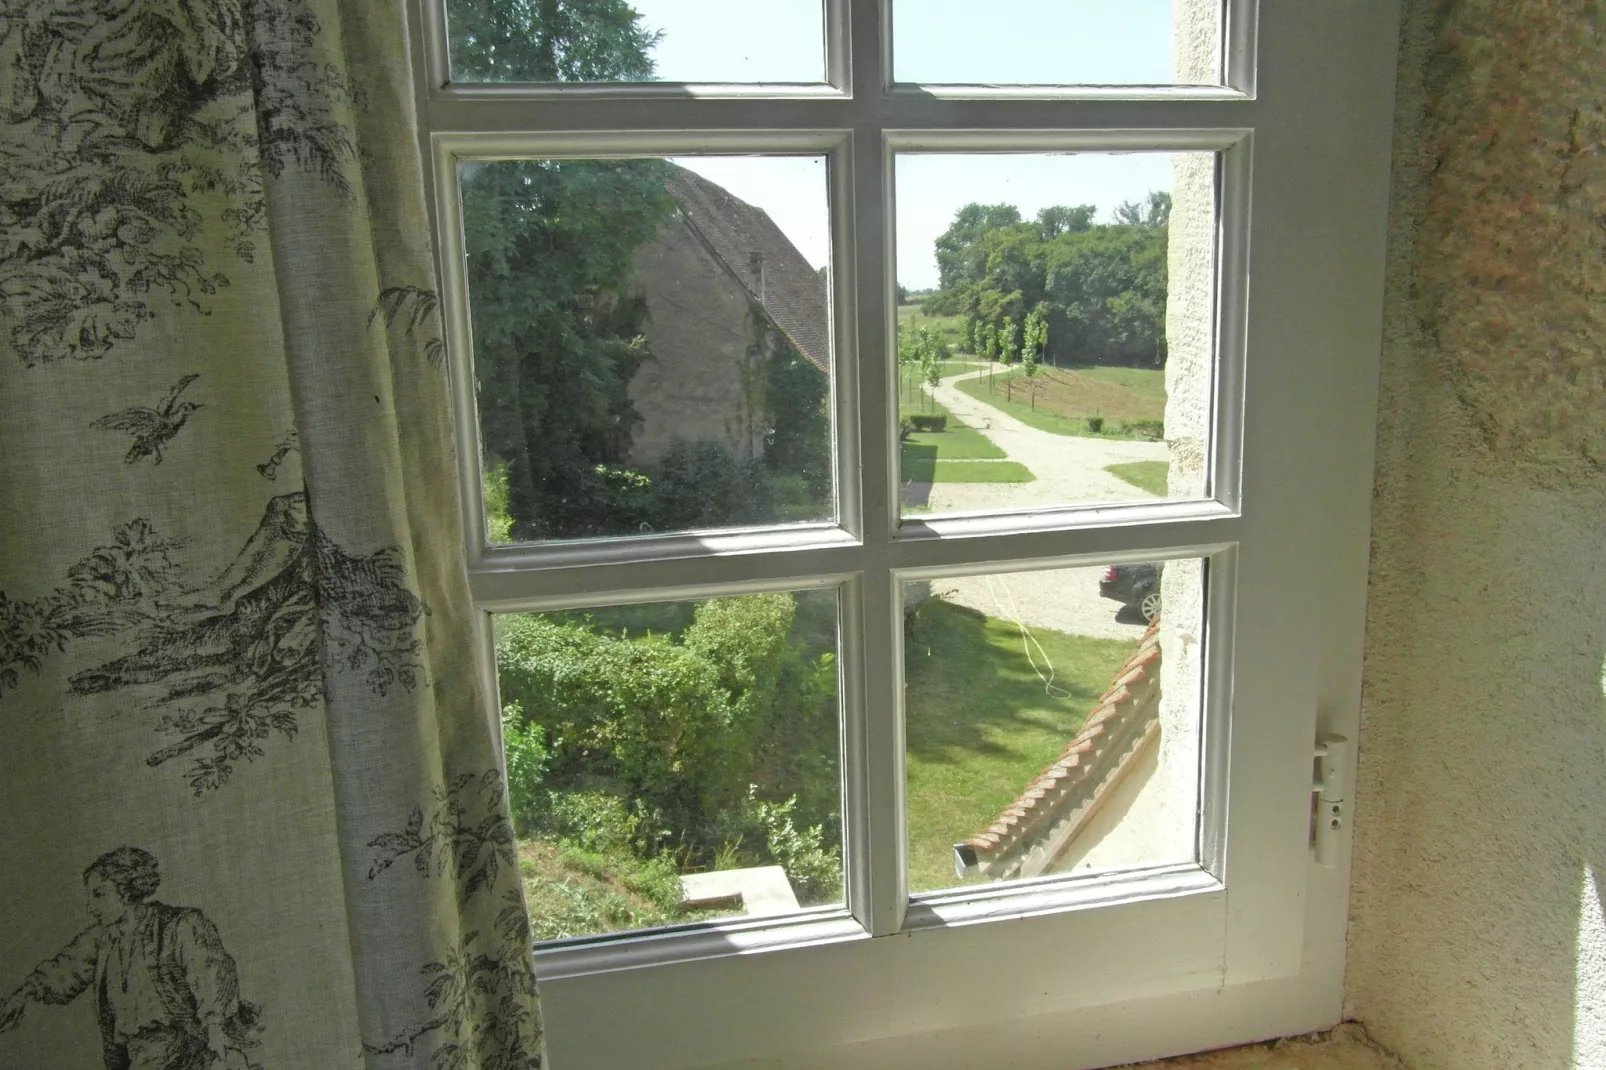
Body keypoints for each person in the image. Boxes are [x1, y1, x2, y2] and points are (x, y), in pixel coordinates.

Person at [0, 847, 260, 1069]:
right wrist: (24, 994)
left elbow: (210, 970)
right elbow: (66, 968)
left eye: (99, 894)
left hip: (180, 1046)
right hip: (135, 1054)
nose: (90, 908)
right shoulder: (103, 939)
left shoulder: (176, 925)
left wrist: (215, 1027)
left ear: (126, 890)